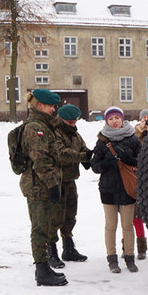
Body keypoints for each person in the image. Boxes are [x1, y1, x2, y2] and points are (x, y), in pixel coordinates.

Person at [19, 89, 67, 287]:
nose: (54, 110)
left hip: (43, 185)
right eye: (51, 106)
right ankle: (41, 270)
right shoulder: (35, 129)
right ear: (40, 106)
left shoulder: (44, 125)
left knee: (46, 226)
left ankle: (44, 265)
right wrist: (53, 184)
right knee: (39, 228)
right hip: (39, 186)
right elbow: (41, 161)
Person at [90, 106, 141, 273]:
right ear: (106, 121)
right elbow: (95, 166)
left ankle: (130, 258)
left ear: (122, 119)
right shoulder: (102, 141)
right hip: (108, 189)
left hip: (128, 188)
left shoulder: (133, 138)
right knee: (110, 225)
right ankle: (112, 259)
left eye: (116, 118)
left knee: (128, 225)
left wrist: (129, 159)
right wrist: (106, 164)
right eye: (110, 119)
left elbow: (142, 160)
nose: (114, 121)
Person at [50, 104, 92, 265]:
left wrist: (91, 158)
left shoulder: (75, 134)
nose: (73, 125)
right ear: (61, 120)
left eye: (75, 122)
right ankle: (51, 251)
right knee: (55, 217)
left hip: (70, 180)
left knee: (70, 215)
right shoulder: (55, 133)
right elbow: (61, 154)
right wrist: (83, 156)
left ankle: (68, 248)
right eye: (70, 122)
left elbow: (83, 148)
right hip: (56, 181)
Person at [130, 108, 148, 260]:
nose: (145, 119)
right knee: (133, 215)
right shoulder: (133, 133)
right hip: (134, 178)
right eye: (143, 117)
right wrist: (140, 132)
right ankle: (134, 247)